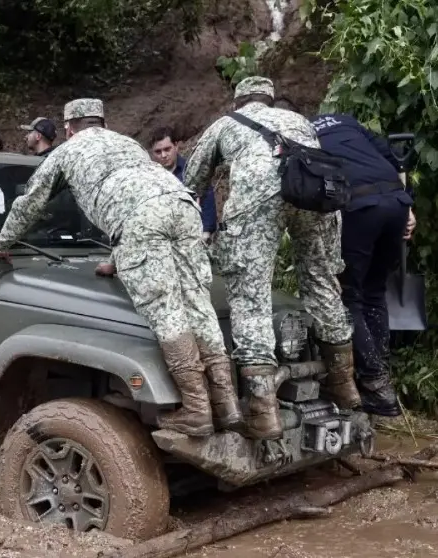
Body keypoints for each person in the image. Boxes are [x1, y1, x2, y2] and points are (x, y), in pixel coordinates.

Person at [0, 98, 242, 437]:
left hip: (142, 220)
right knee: (197, 302)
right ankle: (226, 403)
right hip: (183, 204)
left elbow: (30, 203)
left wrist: (0, 245)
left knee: (165, 310)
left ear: (68, 128)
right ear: (102, 123)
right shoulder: (127, 144)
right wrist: (116, 261)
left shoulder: (67, 151)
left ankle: (196, 410)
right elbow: (137, 199)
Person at [185, 76, 360, 440]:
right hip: (314, 193)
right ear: (270, 98)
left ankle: (263, 412)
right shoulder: (299, 122)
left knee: (250, 293)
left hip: (257, 199)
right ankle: (344, 385)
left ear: (238, 102)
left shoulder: (226, 124)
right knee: (322, 282)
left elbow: (192, 181)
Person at [311, 112, 416, 417]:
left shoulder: (303, 131)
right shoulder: (347, 122)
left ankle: (373, 384)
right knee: (374, 291)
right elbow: (391, 157)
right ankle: (381, 373)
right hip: (396, 202)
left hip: (360, 207)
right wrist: (408, 205)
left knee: (349, 296)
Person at [149, 127, 217, 242]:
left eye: (167, 149)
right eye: (158, 152)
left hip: (195, 237)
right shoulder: (150, 178)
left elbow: (207, 201)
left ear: (176, 146)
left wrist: (206, 233)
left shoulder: (193, 170)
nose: (163, 155)